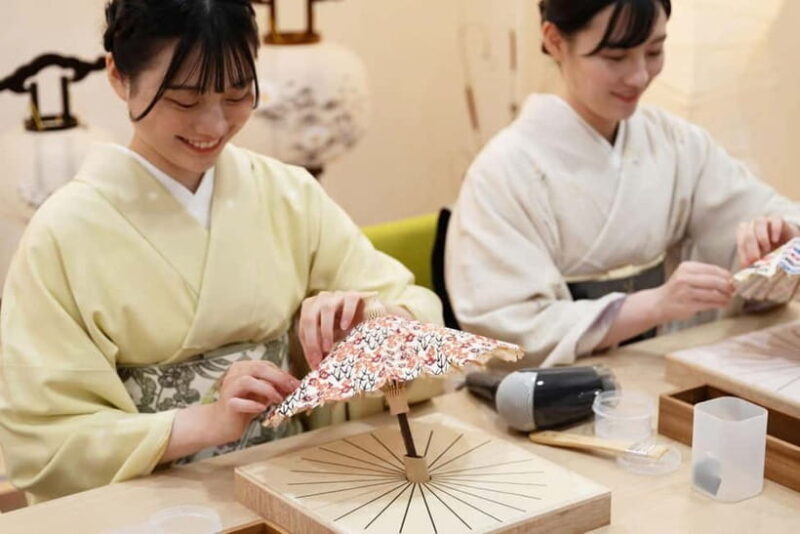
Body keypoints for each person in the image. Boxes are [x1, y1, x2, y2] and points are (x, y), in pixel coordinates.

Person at [0, 0, 441, 502]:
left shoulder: (286, 193)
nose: (213, 125)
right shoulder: (62, 232)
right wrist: (207, 421)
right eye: (185, 100)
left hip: (296, 481)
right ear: (119, 76)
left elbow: (419, 317)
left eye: (236, 95)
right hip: (149, 502)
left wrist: (370, 323)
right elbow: (42, 437)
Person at [445, 0, 800, 367]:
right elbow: (507, 327)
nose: (639, 76)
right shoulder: (501, 173)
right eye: (615, 57)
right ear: (555, 41)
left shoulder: (675, 143)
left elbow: (767, 219)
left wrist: (779, 245)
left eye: (654, 51)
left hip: (661, 369)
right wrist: (654, 305)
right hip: (560, 385)